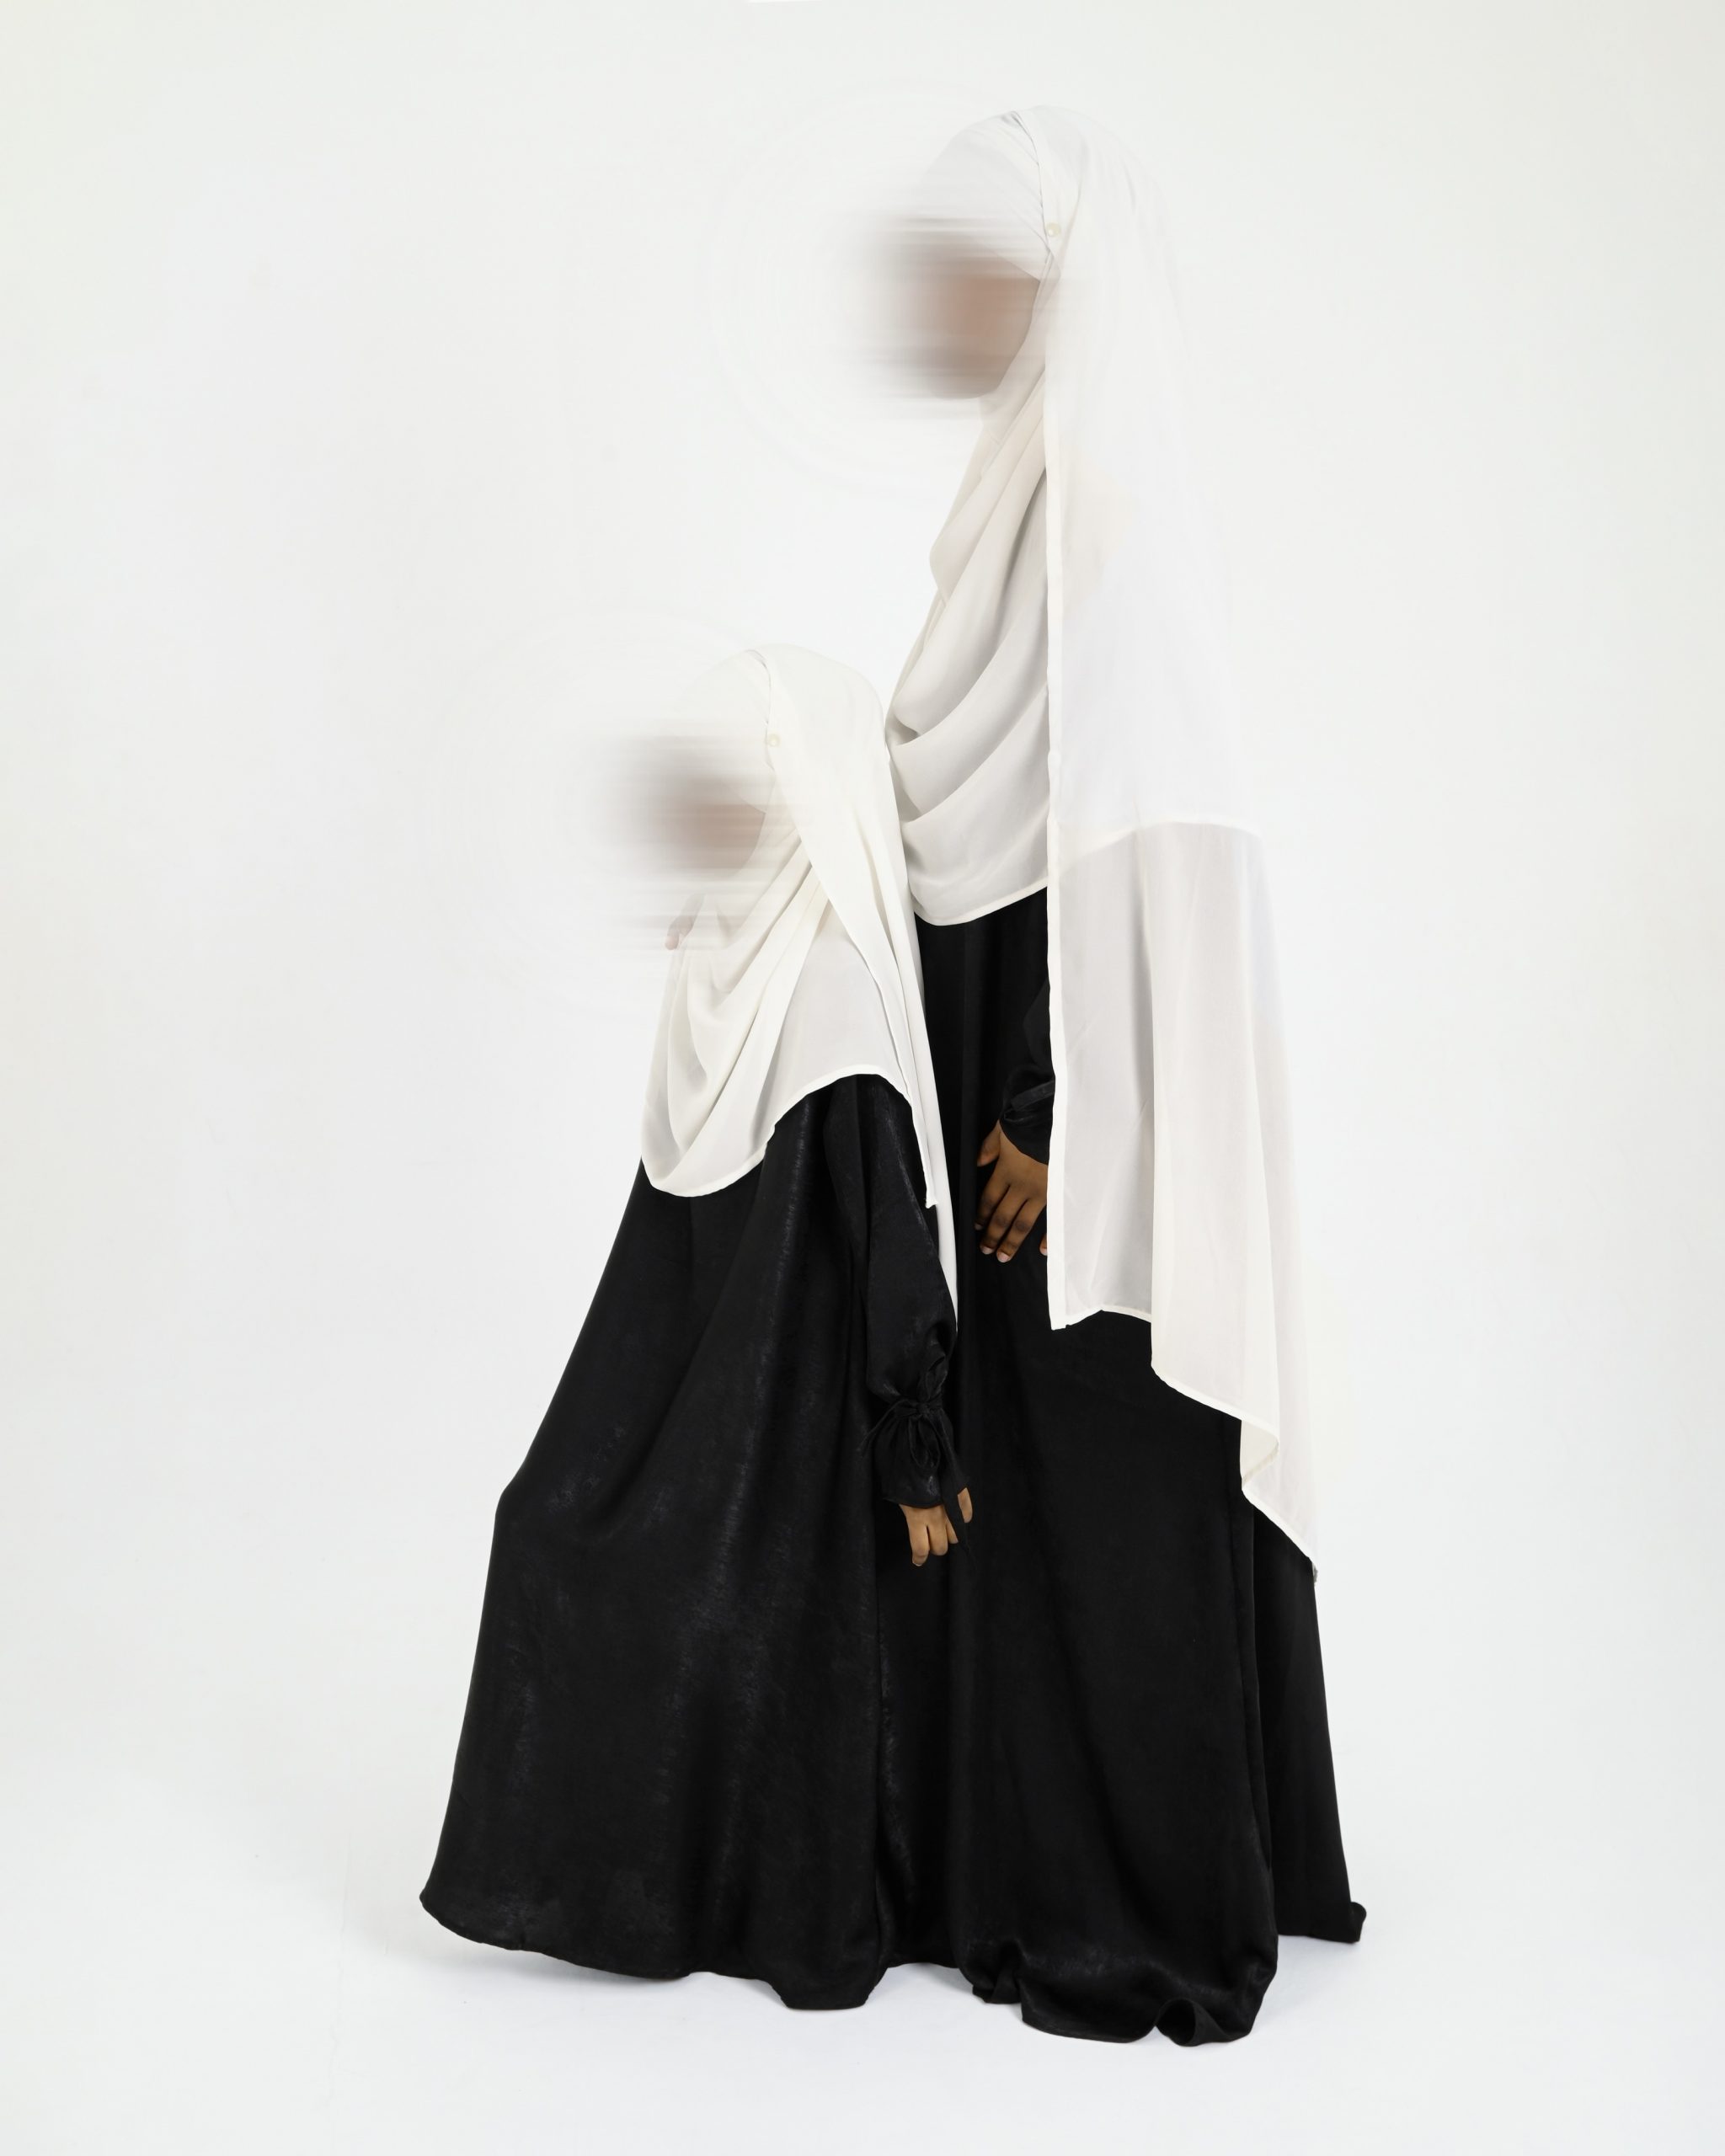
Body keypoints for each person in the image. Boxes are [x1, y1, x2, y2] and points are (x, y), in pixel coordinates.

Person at [884, 108, 1365, 2044]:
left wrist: (1052, 1112)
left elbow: (1151, 858)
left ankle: (1146, 1900)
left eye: (979, 271)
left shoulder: (1120, 536)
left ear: (1063, 290)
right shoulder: (1007, 517)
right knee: (1016, 1473)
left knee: (1112, 1463)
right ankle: (1007, 1858)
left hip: (1083, 1090)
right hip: (995, 1029)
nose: (941, 304)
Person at [421, 645, 967, 2010]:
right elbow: (663, 1261)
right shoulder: (729, 967)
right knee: (545, 1526)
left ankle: (718, 1896)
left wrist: (914, 1442)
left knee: (682, 1581)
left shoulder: (832, 988)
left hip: (801, 1431)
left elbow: (889, 1237)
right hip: (710, 1401)